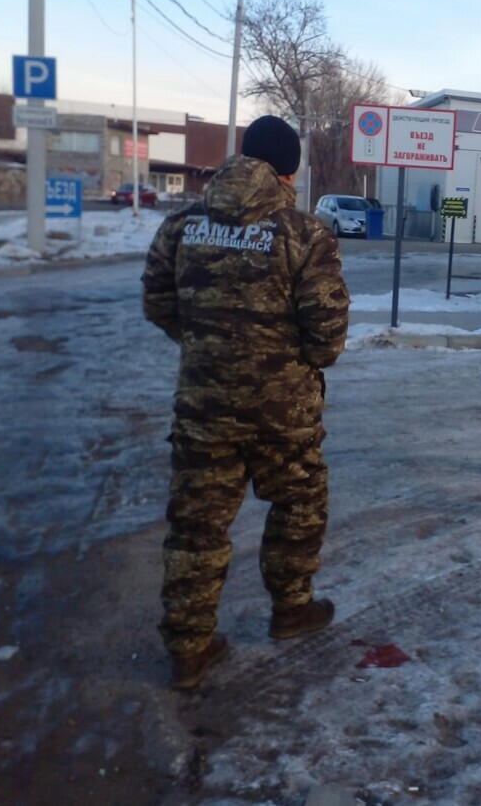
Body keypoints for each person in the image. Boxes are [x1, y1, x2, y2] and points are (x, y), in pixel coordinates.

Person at [142, 115, 350, 690]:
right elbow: (327, 336)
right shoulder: (306, 236)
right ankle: (290, 609)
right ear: (290, 172)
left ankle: (189, 648)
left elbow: (158, 302)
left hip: (204, 407)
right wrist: (286, 361)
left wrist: (206, 343)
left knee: (197, 525)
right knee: (299, 505)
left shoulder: (183, 225)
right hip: (283, 411)